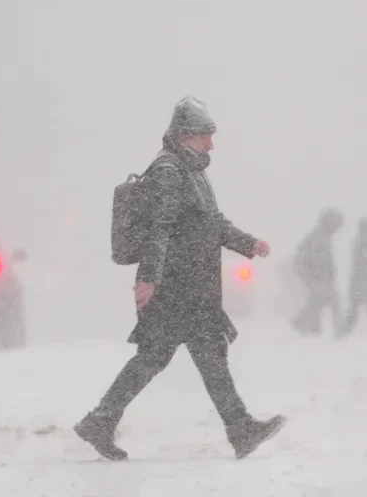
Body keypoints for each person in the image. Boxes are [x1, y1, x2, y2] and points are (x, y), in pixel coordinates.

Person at [75, 97, 285, 461]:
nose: (211, 144)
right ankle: (238, 429)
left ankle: (238, 429)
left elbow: (212, 222)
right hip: (175, 286)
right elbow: (160, 228)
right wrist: (148, 279)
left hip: (192, 285)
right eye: (206, 136)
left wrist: (247, 243)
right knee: (163, 357)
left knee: (190, 355)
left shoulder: (193, 170)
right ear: (186, 135)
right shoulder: (169, 172)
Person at [291, 209, 344, 336]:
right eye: (336, 225)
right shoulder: (320, 237)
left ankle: (307, 325)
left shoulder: (322, 236)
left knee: (318, 300)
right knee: (330, 299)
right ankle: (336, 332)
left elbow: (325, 260)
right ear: (329, 223)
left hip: (315, 275)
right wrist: (319, 277)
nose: (337, 229)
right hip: (313, 274)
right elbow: (317, 259)